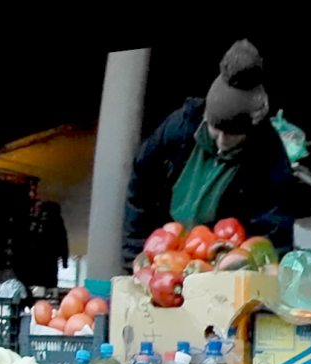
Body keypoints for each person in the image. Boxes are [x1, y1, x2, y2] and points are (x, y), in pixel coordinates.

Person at [122, 39, 297, 267]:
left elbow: (273, 239)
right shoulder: (178, 128)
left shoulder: (270, 160)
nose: (222, 141)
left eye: (233, 134)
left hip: (222, 263)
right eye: (216, 129)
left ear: (250, 131)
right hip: (166, 255)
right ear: (206, 117)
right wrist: (134, 261)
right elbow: (140, 191)